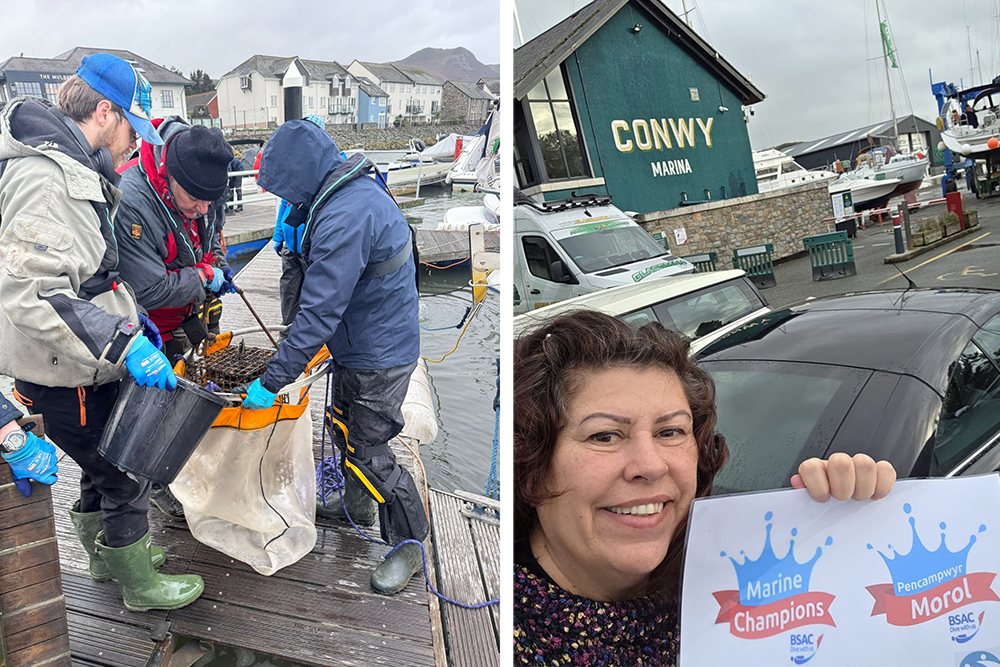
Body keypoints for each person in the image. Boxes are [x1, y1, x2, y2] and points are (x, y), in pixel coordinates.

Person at [513, 311, 896, 665]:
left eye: (670, 431)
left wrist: (852, 524)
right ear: (533, 460)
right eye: (605, 435)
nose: (650, 465)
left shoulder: (736, 564)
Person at [0, 53, 202, 612]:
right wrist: (124, 342)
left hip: (80, 366)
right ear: (105, 113)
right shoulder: (47, 180)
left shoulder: (73, 166)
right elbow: (32, 293)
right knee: (125, 473)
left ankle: (104, 556)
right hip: (68, 374)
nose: (134, 146)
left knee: (96, 467)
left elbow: (88, 275)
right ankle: (138, 587)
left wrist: (128, 319)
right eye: (131, 129)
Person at [241, 119, 427, 596]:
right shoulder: (342, 191)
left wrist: (272, 380)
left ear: (303, 173)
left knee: (371, 450)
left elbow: (319, 312)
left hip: (379, 353)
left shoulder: (347, 215)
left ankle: (410, 544)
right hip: (360, 341)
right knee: (342, 424)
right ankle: (358, 504)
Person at [113, 118, 235, 520]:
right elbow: (147, 289)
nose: (203, 208)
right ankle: (158, 484)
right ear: (170, 176)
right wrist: (202, 277)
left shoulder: (206, 190)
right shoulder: (131, 197)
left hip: (189, 309)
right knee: (154, 412)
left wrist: (216, 267)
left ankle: (189, 467)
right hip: (145, 326)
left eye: (210, 200)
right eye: (196, 200)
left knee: (192, 398)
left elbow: (213, 236)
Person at [270, 114, 328, 343]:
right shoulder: (293, 167)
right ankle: (287, 336)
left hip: (311, 249)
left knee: (313, 295)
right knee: (289, 292)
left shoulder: (324, 169)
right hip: (290, 247)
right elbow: (284, 204)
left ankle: (312, 339)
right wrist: (278, 237)